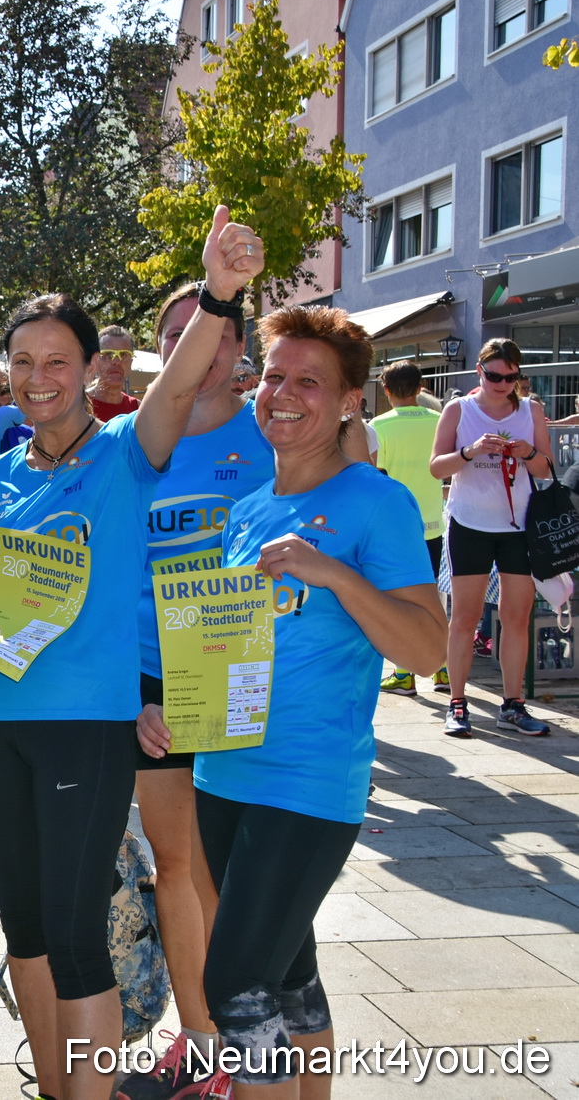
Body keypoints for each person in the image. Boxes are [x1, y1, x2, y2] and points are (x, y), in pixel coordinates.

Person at [0, 207, 262, 1100]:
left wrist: (220, 291)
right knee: (30, 932)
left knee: (80, 934)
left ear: (91, 370)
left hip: (85, 725)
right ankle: (59, 1088)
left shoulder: (125, 453)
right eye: (25, 364)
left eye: (59, 363)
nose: (41, 381)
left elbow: (187, 372)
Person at [193, 306, 445, 1097]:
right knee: (289, 978)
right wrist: (181, 707)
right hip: (222, 775)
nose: (284, 393)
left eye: (309, 380)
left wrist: (333, 572)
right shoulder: (245, 509)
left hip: (306, 782)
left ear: (348, 402)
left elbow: (426, 649)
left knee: (233, 989)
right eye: (273, 375)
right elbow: (233, 648)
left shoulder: (376, 502)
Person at [118, 280, 271, 1100]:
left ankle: (253, 1035)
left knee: (238, 873)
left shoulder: (277, 439)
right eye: (174, 333)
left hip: (242, 671)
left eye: (207, 333)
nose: (190, 346)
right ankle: (202, 1041)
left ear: (237, 350)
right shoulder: (130, 440)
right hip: (151, 679)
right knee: (175, 864)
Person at [431, 339, 553, 737]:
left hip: (518, 528)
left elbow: (546, 468)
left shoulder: (531, 410)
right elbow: (436, 467)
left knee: (516, 618)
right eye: (495, 376)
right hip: (469, 524)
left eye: (511, 377)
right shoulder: (458, 409)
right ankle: (458, 703)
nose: (503, 384)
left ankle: (513, 704)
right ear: (480, 372)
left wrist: (527, 451)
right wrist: (470, 451)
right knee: (464, 618)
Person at [373, 361, 450, 696]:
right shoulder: (439, 421)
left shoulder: (378, 426)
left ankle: (404, 673)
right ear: (420, 388)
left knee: (401, 601)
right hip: (434, 523)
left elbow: (374, 475)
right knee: (435, 599)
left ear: (386, 389)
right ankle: (443, 669)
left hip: (395, 526)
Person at [89, 326, 139, 422]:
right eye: (108, 355)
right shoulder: (78, 405)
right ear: (95, 361)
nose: (116, 361)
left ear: (131, 363)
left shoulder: (138, 410)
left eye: (123, 355)